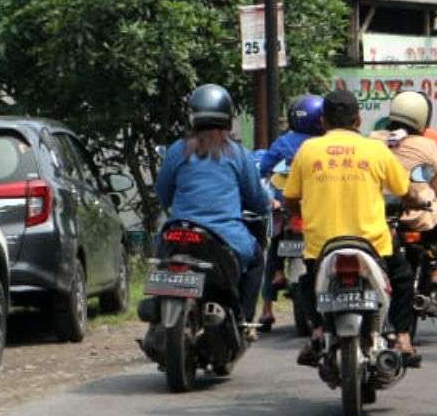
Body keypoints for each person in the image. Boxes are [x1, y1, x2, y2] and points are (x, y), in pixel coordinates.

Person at [283, 89, 420, 365]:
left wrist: (307, 215)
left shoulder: (308, 150)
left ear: (323, 122)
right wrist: (416, 200)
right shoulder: (376, 150)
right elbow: (405, 191)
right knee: (404, 278)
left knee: (307, 282)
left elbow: (289, 199)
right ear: (358, 120)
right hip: (372, 243)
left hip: (322, 245)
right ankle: (403, 338)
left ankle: (319, 332)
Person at [154, 84, 269, 329]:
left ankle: (157, 314)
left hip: (177, 233)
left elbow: (163, 193)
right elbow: (257, 200)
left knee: (160, 262)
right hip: (225, 239)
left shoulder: (177, 150)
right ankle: (244, 321)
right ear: (228, 116)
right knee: (257, 259)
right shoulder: (237, 153)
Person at [381, 90, 437, 298]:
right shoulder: (428, 144)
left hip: (379, 215)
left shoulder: (374, 140)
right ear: (423, 118)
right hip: (416, 213)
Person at [254, 93, 324, 331]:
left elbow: (263, 168)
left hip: (285, 210)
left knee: (273, 251)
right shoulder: (322, 145)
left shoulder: (283, 142)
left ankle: (266, 309)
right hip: (315, 211)